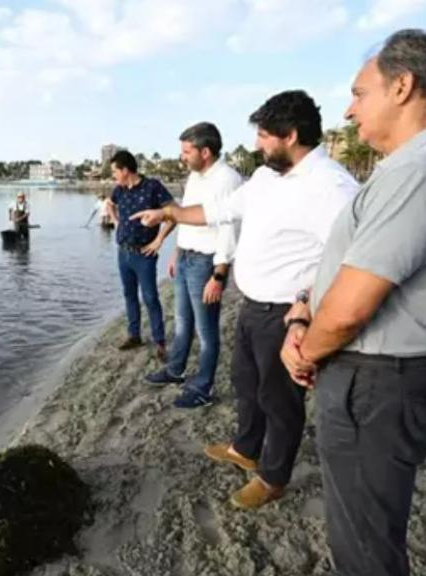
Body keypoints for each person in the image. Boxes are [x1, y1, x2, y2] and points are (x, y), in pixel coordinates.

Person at [280, 30, 426, 576]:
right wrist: (303, 309)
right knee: (361, 526)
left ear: (402, 86)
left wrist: (305, 352)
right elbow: (343, 272)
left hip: (377, 380)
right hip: (375, 375)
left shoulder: (422, 171)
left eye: (359, 93)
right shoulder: (412, 167)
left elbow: (350, 308)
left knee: (365, 543)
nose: (349, 111)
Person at [132, 92, 359, 507]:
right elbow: (219, 211)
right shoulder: (266, 177)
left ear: (290, 136)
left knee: (281, 398)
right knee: (246, 383)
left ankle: (274, 477)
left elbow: (347, 263)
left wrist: (304, 311)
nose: (256, 144)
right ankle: (247, 448)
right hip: (252, 304)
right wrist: (168, 215)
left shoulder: (333, 188)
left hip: (287, 313)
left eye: (263, 135)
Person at [144, 122, 243, 409]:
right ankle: (176, 370)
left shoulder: (227, 179)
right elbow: (185, 217)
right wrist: (176, 252)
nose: (183, 157)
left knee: (206, 330)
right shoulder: (196, 176)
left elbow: (229, 229)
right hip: (187, 256)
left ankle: (203, 386)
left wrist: (218, 275)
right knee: (183, 321)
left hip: (206, 262)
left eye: (187, 151)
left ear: (206, 151)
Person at [107, 150, 176, 360]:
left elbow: (174, 214)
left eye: (114, 171)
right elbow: (109, 204)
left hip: (144, 254)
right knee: (129, 295)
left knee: (150, 297)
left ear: (125, 170)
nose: (113, 176)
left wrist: (159, 240)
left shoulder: (152, 187)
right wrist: (115, 221)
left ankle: (160, 342)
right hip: (123, 253)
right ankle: (134, 335)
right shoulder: (118, 189)